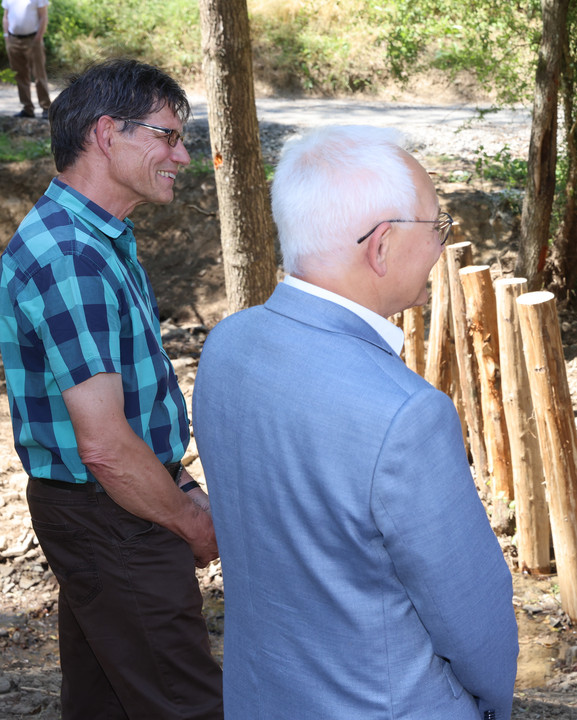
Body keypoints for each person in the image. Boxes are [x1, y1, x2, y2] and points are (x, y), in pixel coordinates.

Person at [193, 125, 519, 720]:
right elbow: (471, 614)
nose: (443, 247)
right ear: (382, 247)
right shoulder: (405, 414)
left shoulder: (227, 347)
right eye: (437, 228)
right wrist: (492, 704)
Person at [0, 59, 222, 719]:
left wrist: (177, 482)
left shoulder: (93, 240)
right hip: (114, 518)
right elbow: (101, 443)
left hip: (108, 510)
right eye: (166, 135)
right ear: (106, 134)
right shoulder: (74, 257)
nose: (181, 155)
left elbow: (122, 412)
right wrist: (184, 519)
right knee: (185, 705)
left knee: (107, 704)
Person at [2, 0, 51, 119]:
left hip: (33, 40)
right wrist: (6, 37)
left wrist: (38, 37)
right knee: (20, 75)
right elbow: (6, 17)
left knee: (39, 74)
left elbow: (43, 16)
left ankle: (46, 108)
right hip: (13, 40)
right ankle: (27, 108)